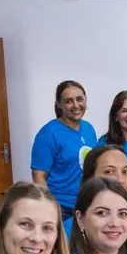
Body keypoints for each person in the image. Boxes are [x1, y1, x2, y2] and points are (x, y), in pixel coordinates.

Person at [31, 80, 98, 220]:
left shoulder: (89, 129)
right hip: (62, 209)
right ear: (59, 104)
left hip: (87, 204)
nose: (76, 105)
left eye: (80, 99)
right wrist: (50, 209)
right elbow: (39, 177)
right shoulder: (48, 133)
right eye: (69, 101)